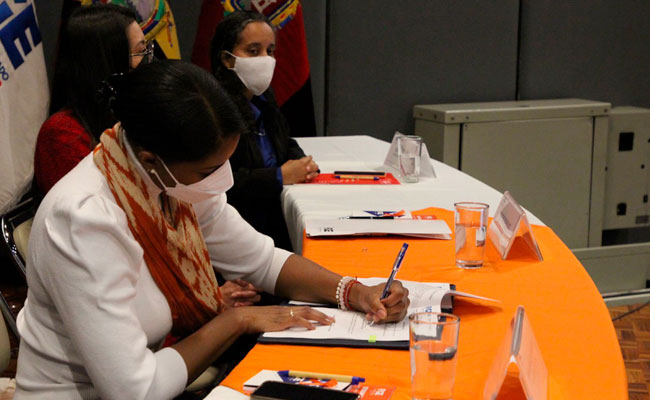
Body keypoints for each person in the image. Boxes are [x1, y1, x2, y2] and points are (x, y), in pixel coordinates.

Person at [14, 60, 409, 399]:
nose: (221, 181)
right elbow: (136, 390)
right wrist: (237, 321)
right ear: (151, 160)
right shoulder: (85, 219)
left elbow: (260, 260)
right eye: (209, 171)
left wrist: (353, 291)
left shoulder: (163, 178)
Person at [211, 10, 318, 251]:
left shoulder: (262, 99)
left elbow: (284, 141)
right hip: (239, 231)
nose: (265, 59)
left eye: (270, 51)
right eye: (253, 51)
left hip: (271, 222)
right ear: (227, 59)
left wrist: (301, 162)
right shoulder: (214, 111)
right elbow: (221, 184)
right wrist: (279, 176)